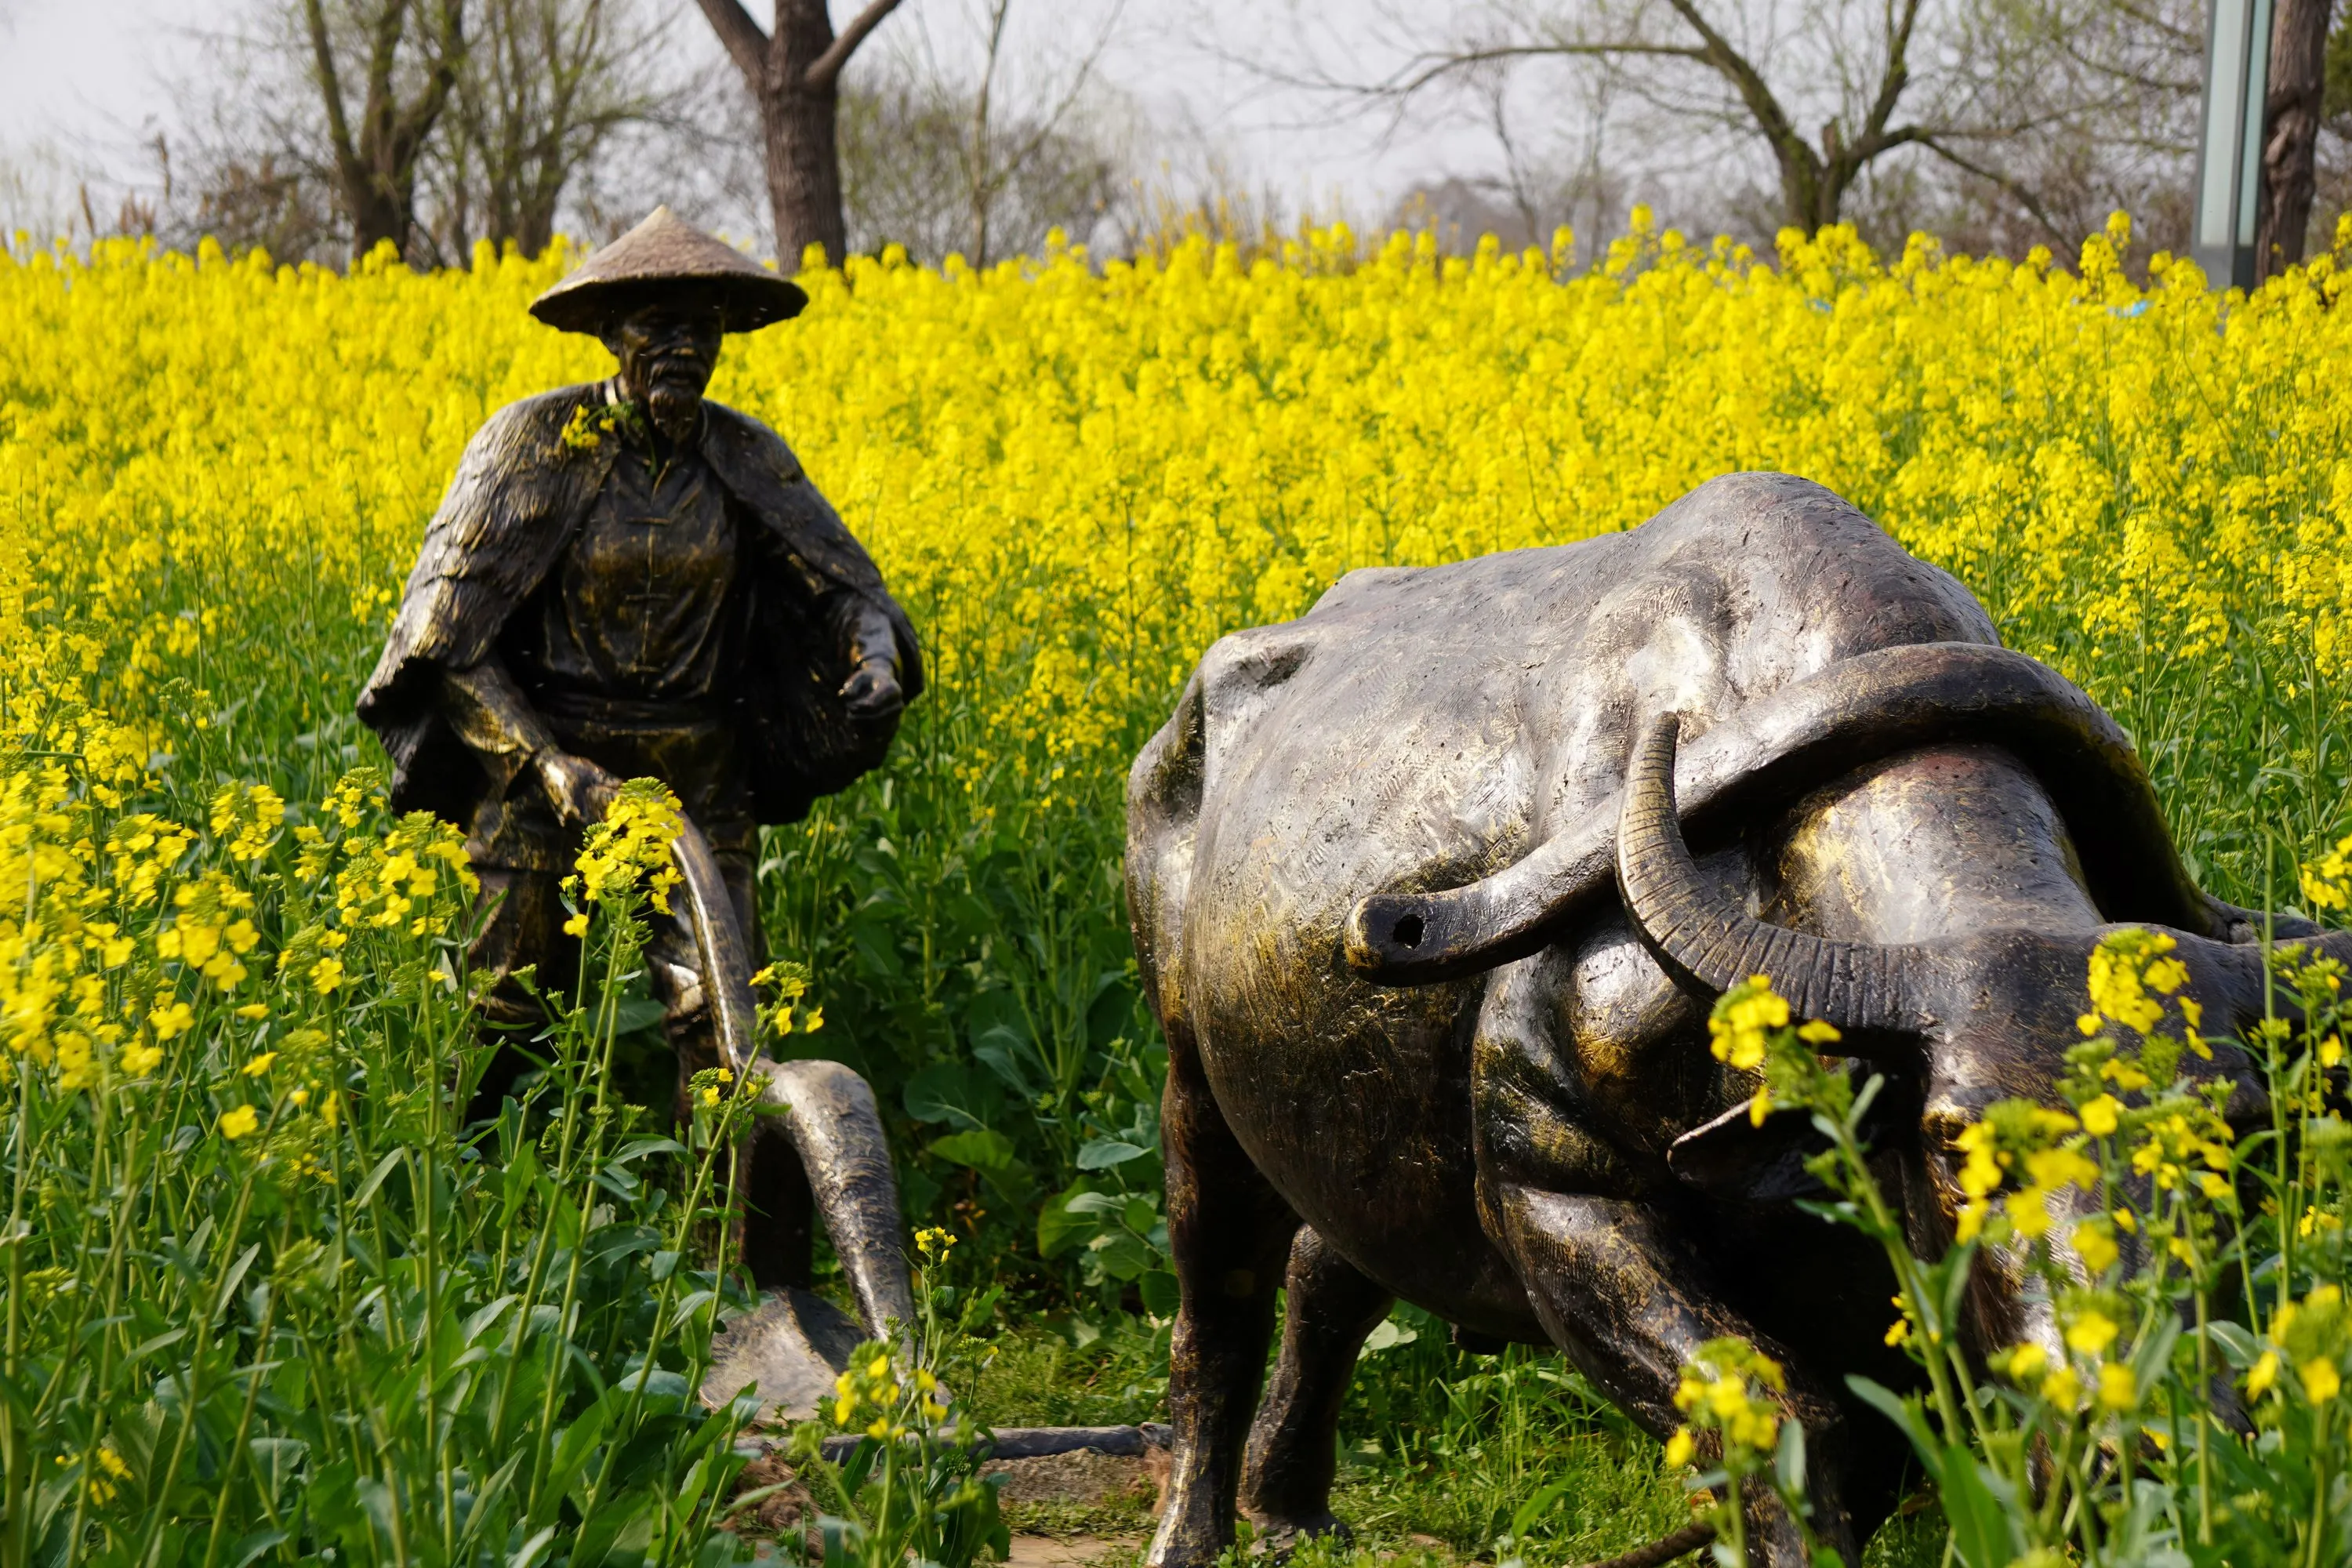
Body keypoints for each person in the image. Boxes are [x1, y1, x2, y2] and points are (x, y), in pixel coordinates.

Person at [358, 205, 921, 1116]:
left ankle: (722, 1247)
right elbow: (446, 640)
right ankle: (477, 1230)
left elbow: (840, 581)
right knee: (505, 1013)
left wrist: (874, 653)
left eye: (701, 329)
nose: (681, 349)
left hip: (700, 777)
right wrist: (545, 767)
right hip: (542, 773)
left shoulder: (746, 455)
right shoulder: (531, 443)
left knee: (725, 1030)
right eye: (658, 327)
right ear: (612, 333)